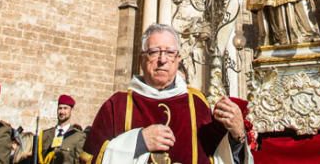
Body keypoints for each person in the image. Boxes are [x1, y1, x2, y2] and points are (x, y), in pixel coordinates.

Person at [82, 24, 252, 164]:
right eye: (154, 52)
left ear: (178, 60)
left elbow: (218, 156)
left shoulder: (196, 102)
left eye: (170, 52)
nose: (162, 59)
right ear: (142, 59)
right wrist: (138, 142)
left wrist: (237, 136)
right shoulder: (116, 105)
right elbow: (90, 158)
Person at [38, 96, 85, 164]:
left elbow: (78, 161)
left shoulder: (78, 136)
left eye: (65, 108)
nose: (62, 112)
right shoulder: (45, 134)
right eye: (60, 108)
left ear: (71, 110)